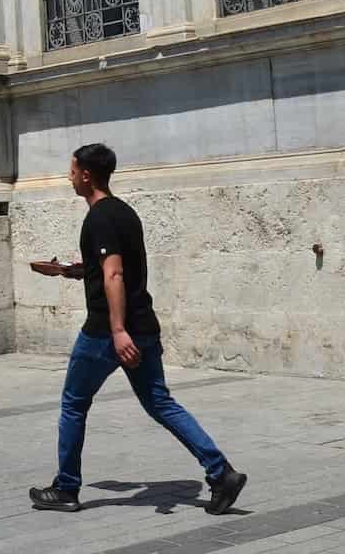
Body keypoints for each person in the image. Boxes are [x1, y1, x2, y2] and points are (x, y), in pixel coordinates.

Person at [27, 144, 247, 515]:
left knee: (73, 404)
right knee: (160, 403)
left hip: (105, 332)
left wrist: (116, 330)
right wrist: (76, 271)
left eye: (71, 170)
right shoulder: (126, 212)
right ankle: (221, 473)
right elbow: (111, 268)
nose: (68, 176)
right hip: (143, 325)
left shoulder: (98, 218)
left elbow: (114, 273)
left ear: (85, 175)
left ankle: (66, 488)